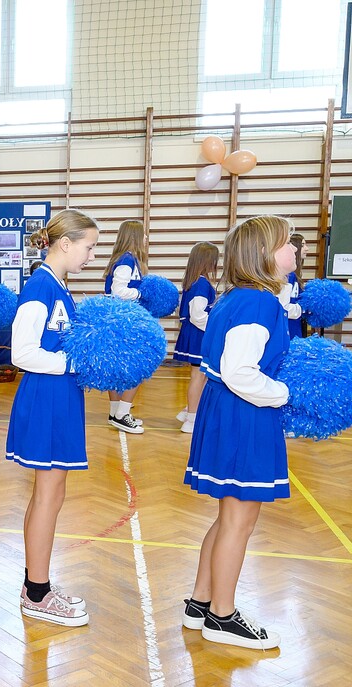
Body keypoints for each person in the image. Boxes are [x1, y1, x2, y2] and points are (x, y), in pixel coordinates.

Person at [182, 216, 294, 650]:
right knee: (240, 520)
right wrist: (284, 393)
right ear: (264, 253)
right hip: (244, 415)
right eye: (287, 243)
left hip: (226, 412)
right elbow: (240, 372)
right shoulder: (259, 302)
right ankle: (223, 617)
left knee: (229, 517)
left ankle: (201, 602)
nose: (295, 250)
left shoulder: (235, 297)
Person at [6, 209, 99, 627]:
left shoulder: (59, 286)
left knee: (52, 493)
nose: (91, 256)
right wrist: (72, 362)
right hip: (46, 399)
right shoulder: (40, 287)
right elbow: (21, 352)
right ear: (65, 243)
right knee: (48, 495)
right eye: (89, 247)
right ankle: (37, 593)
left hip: (60, 398)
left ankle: (36, 584)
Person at [102, 219, 148, 434]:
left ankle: (115, 412)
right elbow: (117, 291)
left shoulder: (125, 259)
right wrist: (142, 293)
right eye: (143, 233)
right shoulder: (127, 260)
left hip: (119, 319)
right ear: (134, 236)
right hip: (124, 321)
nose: (146, 238)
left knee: (117, 367)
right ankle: (121, 413)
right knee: (138, 366)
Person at [173, 242, 220, 434]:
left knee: (200, 376)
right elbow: (197, 316)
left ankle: (189, 411)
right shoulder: (201, 283)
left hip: (196, 334)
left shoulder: (195, 281)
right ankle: (191, 419)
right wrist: (217, 326)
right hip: (198, 335)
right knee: (199, 376)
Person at [279, 233, 307, 339]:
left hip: (294, 328)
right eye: (303, 245)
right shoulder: (287, 275)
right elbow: (282, 308)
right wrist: (304, 308)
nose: (307, 249)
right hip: (287, 331)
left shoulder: (295, 274)